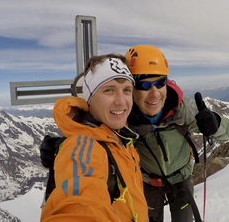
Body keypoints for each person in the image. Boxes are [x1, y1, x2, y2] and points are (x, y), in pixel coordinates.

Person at [124, 45, 229, 222]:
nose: (154, 94)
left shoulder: (182, 108)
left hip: (181, 179)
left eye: (160, 83)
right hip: (147, 183)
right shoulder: (124, 117)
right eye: (144, 84)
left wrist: (215, 124)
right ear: (131, 87)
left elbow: (227, 134)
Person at [40, 54, 148, 222]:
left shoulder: (119, 136)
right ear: (90, 98)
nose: (121, 101)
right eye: (109, 90)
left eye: (127, 90)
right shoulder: (83, 146)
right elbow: (79, 204)